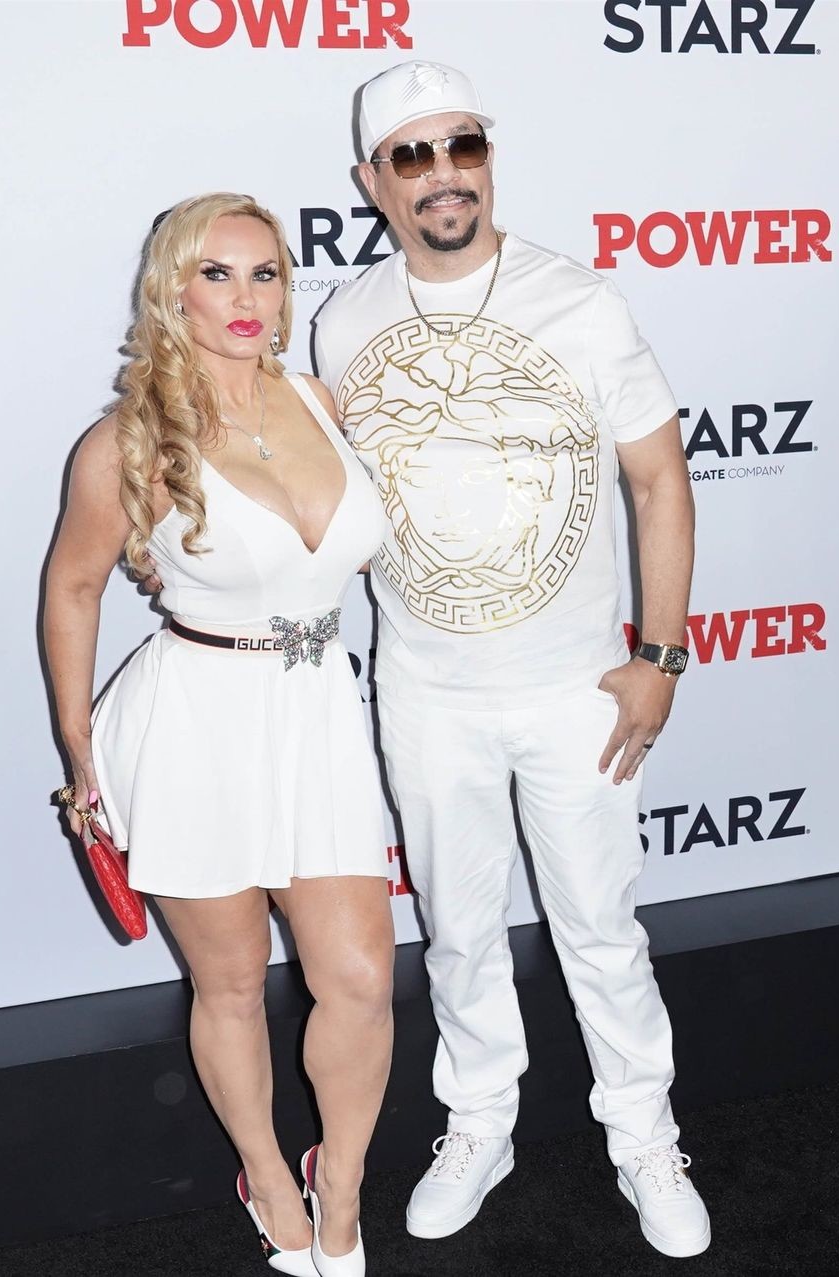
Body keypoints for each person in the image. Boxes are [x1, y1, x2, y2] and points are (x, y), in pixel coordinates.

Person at [311, 62, 709, 1258]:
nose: (445, 174)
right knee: (459, 930)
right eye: (414, 154)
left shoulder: (578, 300)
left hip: (575, 687)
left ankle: (644, 1134)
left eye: (464, 145)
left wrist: (661, 654)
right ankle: (480, 1122)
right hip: (425, 688)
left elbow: (659, 477)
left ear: (488, 157)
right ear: (372, 181)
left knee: (602, 928)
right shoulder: (342, 321)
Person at [43, 193, 394, 1277]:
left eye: (266, 273)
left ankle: (343, 1182)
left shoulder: (322, 399)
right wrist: (78, 755)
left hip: (318, 713)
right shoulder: (130, 440)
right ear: (173, 292)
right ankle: (271, 1178)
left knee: (361, 977)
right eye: (217, 273)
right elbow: (73, 587)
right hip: (196, 723)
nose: (246, 298)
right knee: (232, 981)